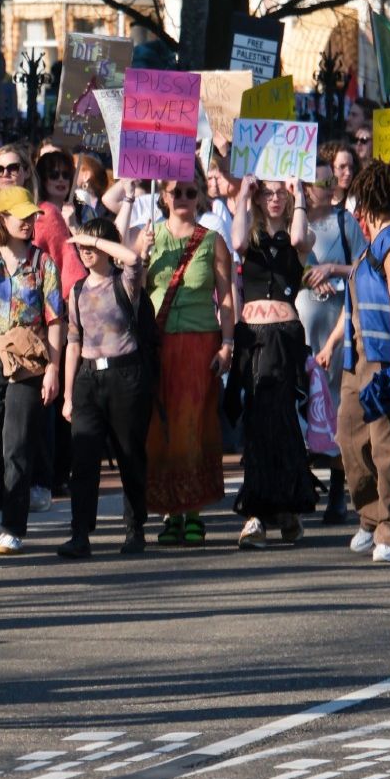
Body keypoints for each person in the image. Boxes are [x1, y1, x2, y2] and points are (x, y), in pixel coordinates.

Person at [317, 161, 390, 564]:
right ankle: (370, 514)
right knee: (349, 437)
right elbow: (355, 304)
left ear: (368, 201)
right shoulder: (369, 246)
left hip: (385, 359)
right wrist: (333, 345)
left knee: (386, 445)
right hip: (356, 359)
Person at [0, 188, 64, 555]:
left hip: (29, 360)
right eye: (19, 214)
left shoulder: (43, 263)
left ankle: (12, 526)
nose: (27, 220)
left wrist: (53, 368)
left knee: (18, 444)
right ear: (1, 219)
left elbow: (55, 320)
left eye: (31, 214)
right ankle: (5, 497)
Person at [144, 173, 235, 546]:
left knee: (192, 425)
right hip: (157, 344)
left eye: (190, 192)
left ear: (199, 197)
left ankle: (192, 510)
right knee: (159, 428)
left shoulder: (213, 241)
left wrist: (228, 342)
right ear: (163, 196)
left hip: (199, 343)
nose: (182, 197)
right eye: (175, 191)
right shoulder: (148, 237)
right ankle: (169, 511)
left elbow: (227, 297)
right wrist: (140, 250)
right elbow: (131, 288)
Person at [227, 177, 316, 549]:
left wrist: (298, 196)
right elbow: (236, 243)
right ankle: (262, 512)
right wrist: (245, 193)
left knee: (279, 421)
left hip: (282, 340)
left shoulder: (300, 231)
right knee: (258, 422)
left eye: (280, 192)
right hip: (252, 338)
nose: (275, 198)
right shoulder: (250, 231)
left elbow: (298, 241)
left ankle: (282, 508)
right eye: (269, 192)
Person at [59, 218, 150, 557]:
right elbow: (72, 341)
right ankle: (80, 533)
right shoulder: (77, 290)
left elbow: (132, 259)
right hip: (87, 378)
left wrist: (94, 239)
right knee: (83, 460)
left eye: (93, 245)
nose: (85, 250)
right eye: (81, 245)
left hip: (125, 375)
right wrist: (68, 395)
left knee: (130, 455)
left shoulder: (122, 281)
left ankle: (134, 527)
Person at [298, 162, 364, 524]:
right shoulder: (296, 222)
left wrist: (332, 270)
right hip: (305, 326)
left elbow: (364, 267)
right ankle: (302, 483)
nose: (318, 187)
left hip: (337, 329)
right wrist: (308, 274)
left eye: (324, 180)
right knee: (303, 406)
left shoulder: (345, 222)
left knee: (338, 407)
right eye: (312, 181)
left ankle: (338, 491)